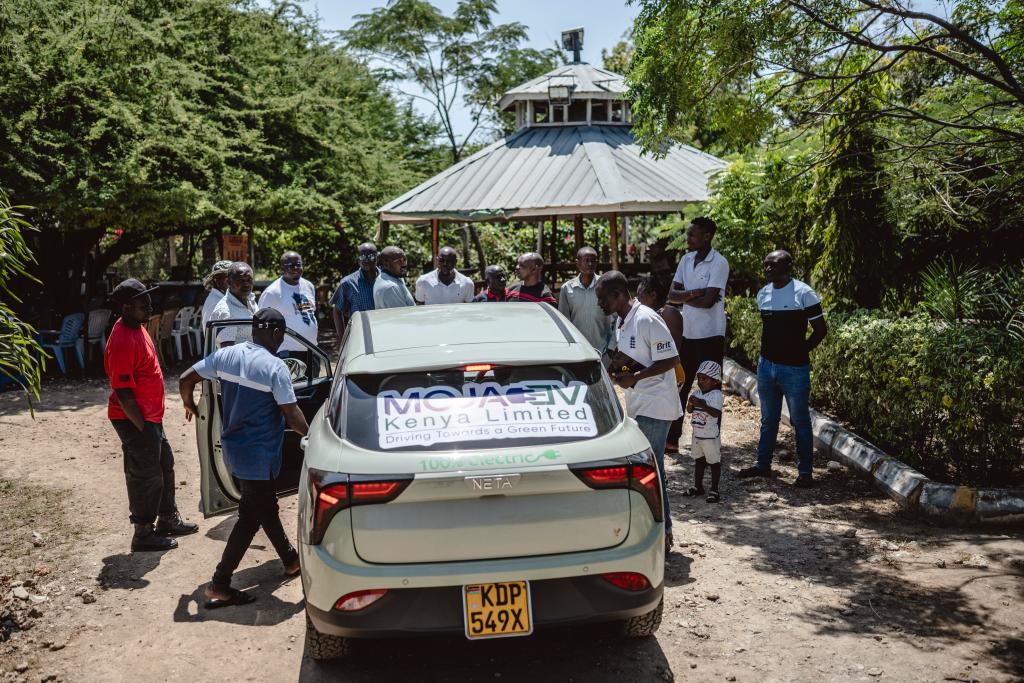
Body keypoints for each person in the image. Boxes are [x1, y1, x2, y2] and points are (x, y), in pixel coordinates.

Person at [178, 309, 310, 608]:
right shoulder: (275, 367)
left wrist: (190, 405)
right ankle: (220, 584)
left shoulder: (226, 355)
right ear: (276, 333)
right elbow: (292, 416)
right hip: (260, 454)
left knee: (264, 506)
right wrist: (316, 437)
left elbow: (186, 379)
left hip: (233, 450)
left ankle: (290, 560)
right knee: (250, 517)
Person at [105, 279, 198, 552]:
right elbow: (123, 393)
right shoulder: (122, 339)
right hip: (134, 419)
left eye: (148, 301)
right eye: (142, 303)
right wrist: (144, 428)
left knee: (164, 464)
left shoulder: (138, 327)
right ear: (126, 307)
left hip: (150, 417)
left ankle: (167, 519)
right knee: (145, 474)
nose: (149, 307)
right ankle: (143, 532)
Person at [596, 271, 683, 552]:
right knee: (646, 467)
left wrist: (634, 377)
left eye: (602, 298)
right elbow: (634, 359)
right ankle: (652, 530)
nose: (599, 304)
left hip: (656, 403)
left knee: (651, 468)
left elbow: (671, 359)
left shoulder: (646, 318)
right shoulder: (621, 322)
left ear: (618, 295)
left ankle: (663, 533)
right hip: (638, 402)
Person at [738, 250, 827, 488]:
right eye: (766, 265)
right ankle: (763, 465)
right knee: (768, 419)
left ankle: (805, 473)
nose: (768, 269)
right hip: (766, 367)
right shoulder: (763, 294)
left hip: (795, 370)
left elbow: (820, 330)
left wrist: (800, 351)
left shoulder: (804, 293)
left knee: (800, 421)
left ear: (788, 267)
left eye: (774, 265)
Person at [667, 217, 729, 410]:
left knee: (710, 391)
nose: (688, 238)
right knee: (680, 387)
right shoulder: (685, 260)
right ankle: (674, 430)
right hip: (687, 335)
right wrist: (696, 293)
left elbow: (708, 303)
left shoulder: (719, 263)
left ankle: (710, 430)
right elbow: (671, 295)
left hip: (711, 336)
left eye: (692, 235)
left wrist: (684, 296)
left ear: (707, 236)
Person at [637, 276, 686, 451]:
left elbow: (672, 351)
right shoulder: (646, 315)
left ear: (653, 295)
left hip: (669, 374)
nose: (637, 301)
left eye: (640, 296)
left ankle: (668, 442)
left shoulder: (669, 313)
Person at [257, 251, 318, 353]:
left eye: (298, 264)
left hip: (312, 350)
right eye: (291, 266)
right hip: (287, 353)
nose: (296, 268)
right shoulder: (272, 293)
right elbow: (260, 325)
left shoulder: (309, 286)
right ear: (282, 268)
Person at [558, 246, 614, 353]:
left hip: (603, 350)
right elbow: (564, 322)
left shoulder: (606, 286)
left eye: (593, 261)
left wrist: (611, 347)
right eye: (586, 260)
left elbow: (616, 319)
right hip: (577, 350)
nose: (590, 264)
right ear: (578, 263)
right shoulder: (567, 288)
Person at [685, 361, 724, 503]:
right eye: (699, 378)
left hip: (710, 437)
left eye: (704, 379)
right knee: (699, 461)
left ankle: (714, 490)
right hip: (697, 435)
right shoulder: (696, 393)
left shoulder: (717, 395)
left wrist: (702, 404)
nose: (700, 381)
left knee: (714, 462)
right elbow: (689, 411)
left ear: (715, 381)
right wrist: (690, 403)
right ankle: (698, 486)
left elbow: (716, 413)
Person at [331, 242, 379, 337]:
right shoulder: (348, 283)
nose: (367, 260)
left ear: (377, 258)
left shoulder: (386, 280)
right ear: (358, 259)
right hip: (360, 336)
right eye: (363, 256)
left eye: (371, 256)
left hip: (384, 332)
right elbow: (337, 311)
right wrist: (343, 339)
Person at [208, 261, 257, 347]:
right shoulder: (225, 312)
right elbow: (228, 351)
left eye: (249, 280)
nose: (246, 284)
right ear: (228, 282)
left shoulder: (250, 299)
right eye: (241, 280)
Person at [200, 260, 232, 329]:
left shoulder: (224, 297)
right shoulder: (215, 303)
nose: (230, 281)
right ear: (216, 279)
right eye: (226, 277)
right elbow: (211, 332)